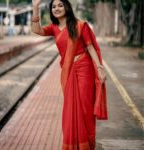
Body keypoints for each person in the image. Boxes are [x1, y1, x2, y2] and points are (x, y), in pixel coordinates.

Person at [31, 0, 108, 149]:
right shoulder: (53, 28)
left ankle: (87, 144)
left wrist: (99, 68)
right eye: (53, 6)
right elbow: (37, 30)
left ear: (67, 7)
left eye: (60, 5)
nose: (57, 8)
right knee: (70, 111)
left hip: (84, 70)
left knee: (85, 110)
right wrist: (35, 7)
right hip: (67, 72)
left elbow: (90, 47)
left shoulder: (79, 25)